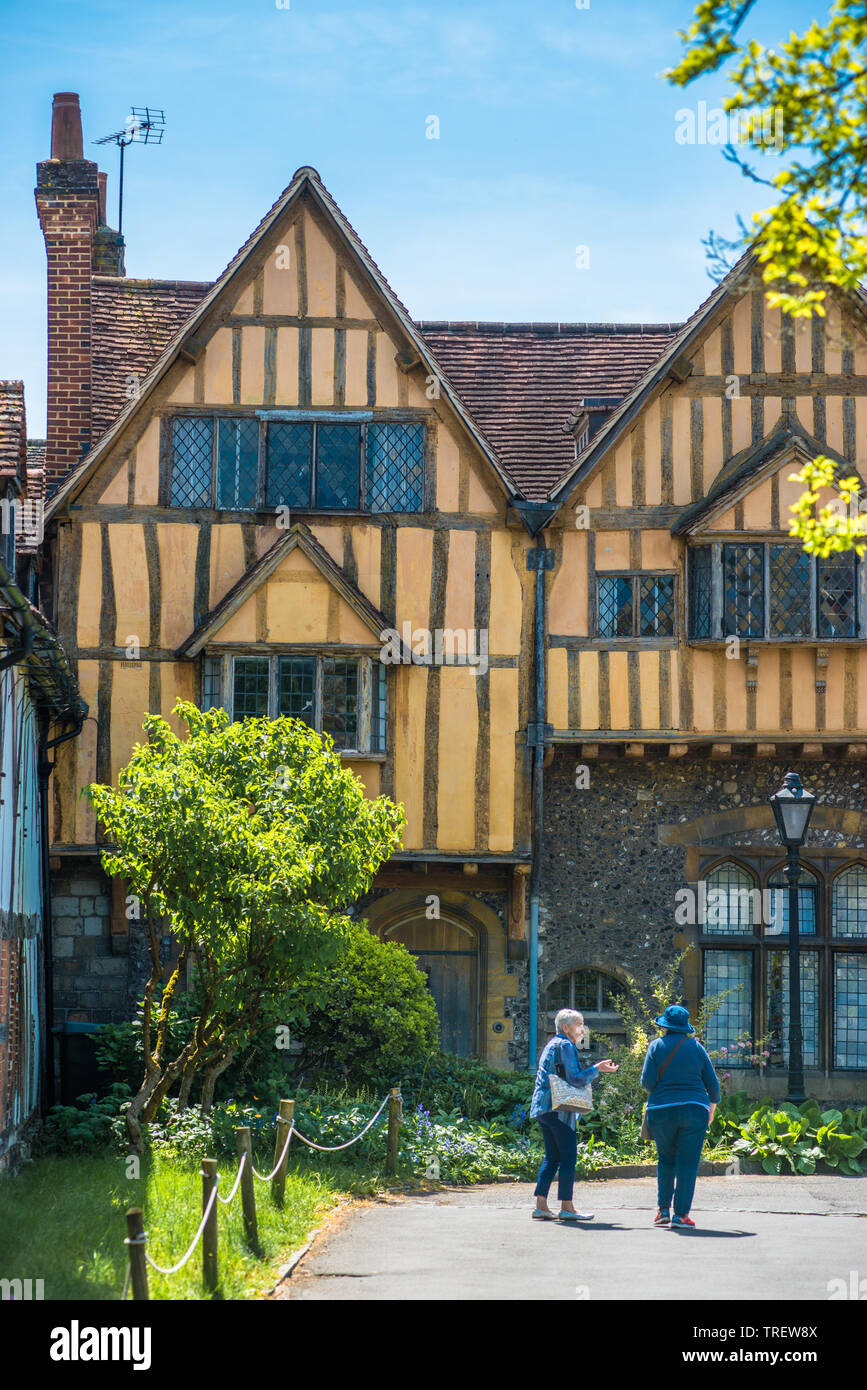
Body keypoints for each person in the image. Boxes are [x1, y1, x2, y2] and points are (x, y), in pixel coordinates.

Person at [530, 1007, 619, 1223]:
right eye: (579, 1024)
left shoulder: (552, 1044)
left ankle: (541, 1206)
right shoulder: (565, 1045)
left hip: (543, 1107)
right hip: (559, 1110)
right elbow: (575, 1079)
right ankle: (567, 1207)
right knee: (569, 1157)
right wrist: (598, 1069)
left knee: (552, 1157)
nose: (582, 1028)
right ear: (565, 1027)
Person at [640, 1003, 721, 1230]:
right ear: (685, 1027)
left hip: (661, 1110)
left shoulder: (655, 1046)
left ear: (665, 1026)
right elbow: (713, 1086)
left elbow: (647, 1083)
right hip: (694, 1110)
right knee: (687, 1162)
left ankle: (663, 1211)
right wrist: (711, 1108)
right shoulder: (696, 1048)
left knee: (666, 1158)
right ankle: (681, 1215)